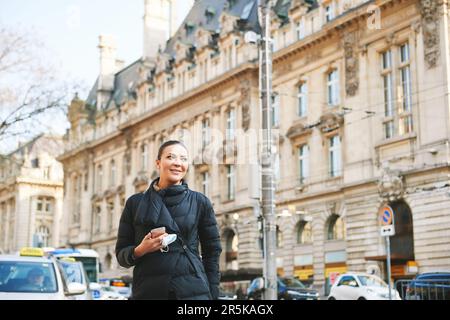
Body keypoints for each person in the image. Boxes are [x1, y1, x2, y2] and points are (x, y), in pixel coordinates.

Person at [115, 140, 222, 300]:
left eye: (184, 159)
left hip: (192, 290)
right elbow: (121, 254)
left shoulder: (200, 202)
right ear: (158, 163)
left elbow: (212, 253)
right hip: (149, 291)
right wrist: (141, 249)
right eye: (171, 157)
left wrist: (213, 295)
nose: (178, 163)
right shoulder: (135, 203)